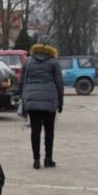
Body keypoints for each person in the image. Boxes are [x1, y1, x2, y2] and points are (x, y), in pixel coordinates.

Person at [20, 35, 63, 169]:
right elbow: (59, 83)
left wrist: (23, 97)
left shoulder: (28, 61)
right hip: (50, 100)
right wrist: (60, 102)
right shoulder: (54, 62)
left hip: (32, 100)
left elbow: (22, 80)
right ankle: (48, 159)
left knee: (35, 130)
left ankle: (36, 160)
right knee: (49, 130)